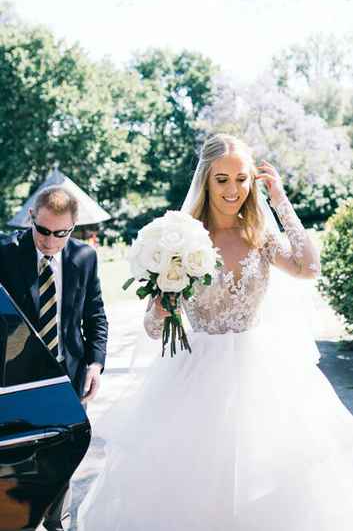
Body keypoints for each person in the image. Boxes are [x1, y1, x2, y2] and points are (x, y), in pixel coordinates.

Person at [78, 134, 353, 530]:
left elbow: (309, 268)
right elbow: (153, 329)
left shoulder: (260, 236)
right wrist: (163, 303)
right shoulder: (181, 238)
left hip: (263, 377)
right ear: (206, 180)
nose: (233, 190)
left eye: (241, 179)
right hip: (196, 375)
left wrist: (281, 202)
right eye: (222, 179)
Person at [0, 186, 108, 531]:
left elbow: (95, 316)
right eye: (42, 230)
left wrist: (95, 364)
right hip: (16, 378)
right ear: (31, 218)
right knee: (20, 457)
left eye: (59, 233)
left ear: (73, 227)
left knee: (62, 453)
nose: (49, 241)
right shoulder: (6, 254)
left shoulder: (84, 258)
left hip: (68, 375)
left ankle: (56, 520)